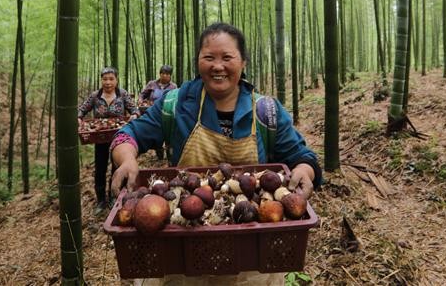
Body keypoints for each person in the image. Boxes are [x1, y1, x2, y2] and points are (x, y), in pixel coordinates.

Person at [110, 23, 321, 285]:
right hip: (181, 249)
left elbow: (302, 156)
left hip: (252, 255)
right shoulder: (176, 104)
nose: (217, 66)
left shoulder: (267, 111)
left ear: (243, 62)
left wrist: (304, 170)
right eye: (209, 57)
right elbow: (127, 135)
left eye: (227, 58)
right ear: (198, 61)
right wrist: (128, 159)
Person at [78, 66, 139, 213]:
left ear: (116, 80)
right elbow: (81, 109)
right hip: (100, 138)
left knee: (117, 168)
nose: (108, 82)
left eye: (111, 79)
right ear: (101, 80)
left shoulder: (122, 94)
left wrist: (134, 115)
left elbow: (134, 109)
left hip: (119, 138)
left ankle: (113, 196)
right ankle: (100, 200)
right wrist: (79, 118)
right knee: (100, 169)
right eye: (105, 79)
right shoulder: (95, 96)